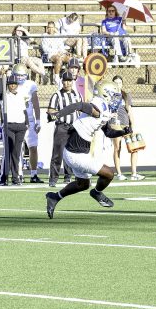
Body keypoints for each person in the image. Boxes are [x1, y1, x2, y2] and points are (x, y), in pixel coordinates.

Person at [44, 80, 129, 217]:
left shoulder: (105, 109)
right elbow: (79, 105)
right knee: (109, 173)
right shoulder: (98, 107)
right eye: (113, 96)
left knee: (83, 184)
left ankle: (54, 197)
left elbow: (108, 132)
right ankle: (97, 192)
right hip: (75, 153)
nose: (116, 99)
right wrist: (57, 114)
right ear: (105, 94)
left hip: (79, 150)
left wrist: (122, 132)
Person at [0, 69, 37, 185]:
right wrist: (1, 77)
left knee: (16, 152)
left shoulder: (21, 95)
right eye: (10, 84)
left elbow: (24, 110)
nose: (12, 86)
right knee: (7, 152)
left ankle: (15, 177)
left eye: (14, 84)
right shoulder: (5, 95)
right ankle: (3, 177)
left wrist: (26, 123)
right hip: (9, 125)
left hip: (20, 126)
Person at [46, 70, 81, 186]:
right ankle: (53, 178)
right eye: (65, 81)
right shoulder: (57, 95)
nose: (67, 83)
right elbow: (50, 111)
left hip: (74, 127)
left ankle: (69, 176)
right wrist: (61, 113)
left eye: (69, 81)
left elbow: (81, 110)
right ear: (62, 82)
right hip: (62, 127)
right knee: (58, 153)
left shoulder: (77, 94)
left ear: (72, 81)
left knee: (73, 153)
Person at [109, 73, 142, 180]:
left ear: (122, 84)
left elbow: (130, 111)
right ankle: (119, 173)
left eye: (119, 83)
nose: (118, 85)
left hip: (126, 125)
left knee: (134, 148)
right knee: (117, 148)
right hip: (115, 125)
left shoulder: (126, 95)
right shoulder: (109, 96)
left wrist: (133, 125)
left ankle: (134, 173)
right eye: (115, 83)